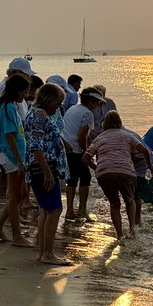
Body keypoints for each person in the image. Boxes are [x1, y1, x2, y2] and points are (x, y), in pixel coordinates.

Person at [83, 109, 153, 241]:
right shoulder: (126, 135)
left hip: (105, 174)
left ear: (104, 123)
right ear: (119, 122)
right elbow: (144, 150)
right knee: (130, 200)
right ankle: (132, 230)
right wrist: (149, 165)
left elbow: (85, 158)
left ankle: (119, 236)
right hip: (126, 172)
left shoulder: (100, 137)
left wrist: (98, 168)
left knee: (114, 204)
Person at [24, 83, 71, 265]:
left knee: (46, 209)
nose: (58, 107)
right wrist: (48, 173)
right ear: (49, 100)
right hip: (43, 168)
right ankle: (48, 254)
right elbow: (36, 146)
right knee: (54, 210)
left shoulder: (34, 112)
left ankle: (44, 252)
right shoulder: (40, 115)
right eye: (57, 103)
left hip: (42, 167)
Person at [0, 73, 32, 247]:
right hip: (12, 156)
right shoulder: (7, 107)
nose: (26, 95)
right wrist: (20, 161)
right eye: (25, 91)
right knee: (14, 196)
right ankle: (16, 235)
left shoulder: (10, 106)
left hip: (16, 156)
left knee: (19, 194)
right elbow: (9, 135)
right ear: (17, 90)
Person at [61, 87, 106, 221]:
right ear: (91, 101)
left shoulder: (73, 109)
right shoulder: (88, 114)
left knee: (72, 180)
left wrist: (94, 146)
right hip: (76, 150)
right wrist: (87, 152)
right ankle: (82, 211)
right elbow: (82, 136)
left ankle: (70, 210)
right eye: (97, 102)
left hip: (67, 149)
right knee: (85, 178)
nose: (98, 106)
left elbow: (86, 135)